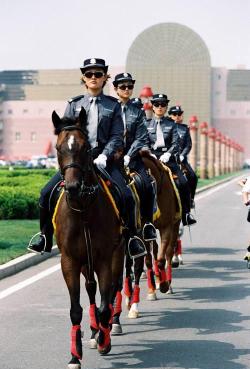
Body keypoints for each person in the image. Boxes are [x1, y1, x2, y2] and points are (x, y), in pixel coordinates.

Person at [28, 58, 146, 259]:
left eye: (98, 74)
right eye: (89, 74)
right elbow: (64, 135)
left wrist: (104, 155)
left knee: (127, 195)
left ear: (104, 78)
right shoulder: (73, 104)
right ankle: (45, 236)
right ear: (84, 77)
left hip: (104, 161)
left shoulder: (113, 105)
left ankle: (132, 238)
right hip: (76, 162)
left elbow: (117, 136)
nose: (94, 78)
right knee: (46, 193)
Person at [113, 72, 157, 241]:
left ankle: (147, 225)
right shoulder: (109, 108)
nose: (126, 89)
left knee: (147, 184)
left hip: (132, 159)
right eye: (122, 86)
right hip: (111, 158)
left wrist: (129, 156)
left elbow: (141, 137)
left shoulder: (137, 112)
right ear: (116, 89)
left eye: (129, 86)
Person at [146, 94, 196, 226]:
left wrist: (168, 154)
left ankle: (186, 214)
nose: (160, 107)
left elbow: (176, 144)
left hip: (169, 159)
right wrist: (150, 154)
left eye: (163, 105)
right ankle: (141, 218)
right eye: (157, 105)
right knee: (140, 183)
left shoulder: (172, 124)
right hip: (151, 159)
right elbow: (143, 142)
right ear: (153, 107)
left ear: (166, 107)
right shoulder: (146, 124)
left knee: (184, 183)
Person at [168, 105, 198, 208]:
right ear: (170, 115)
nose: (177, 116)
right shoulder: (165, 126)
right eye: (174, 114)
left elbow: (188, 145)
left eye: (179, 114)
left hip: (181, 160)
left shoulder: (185, 129)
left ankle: (190, 200)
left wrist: (182, 155)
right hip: (167, 158)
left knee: (193, 177)